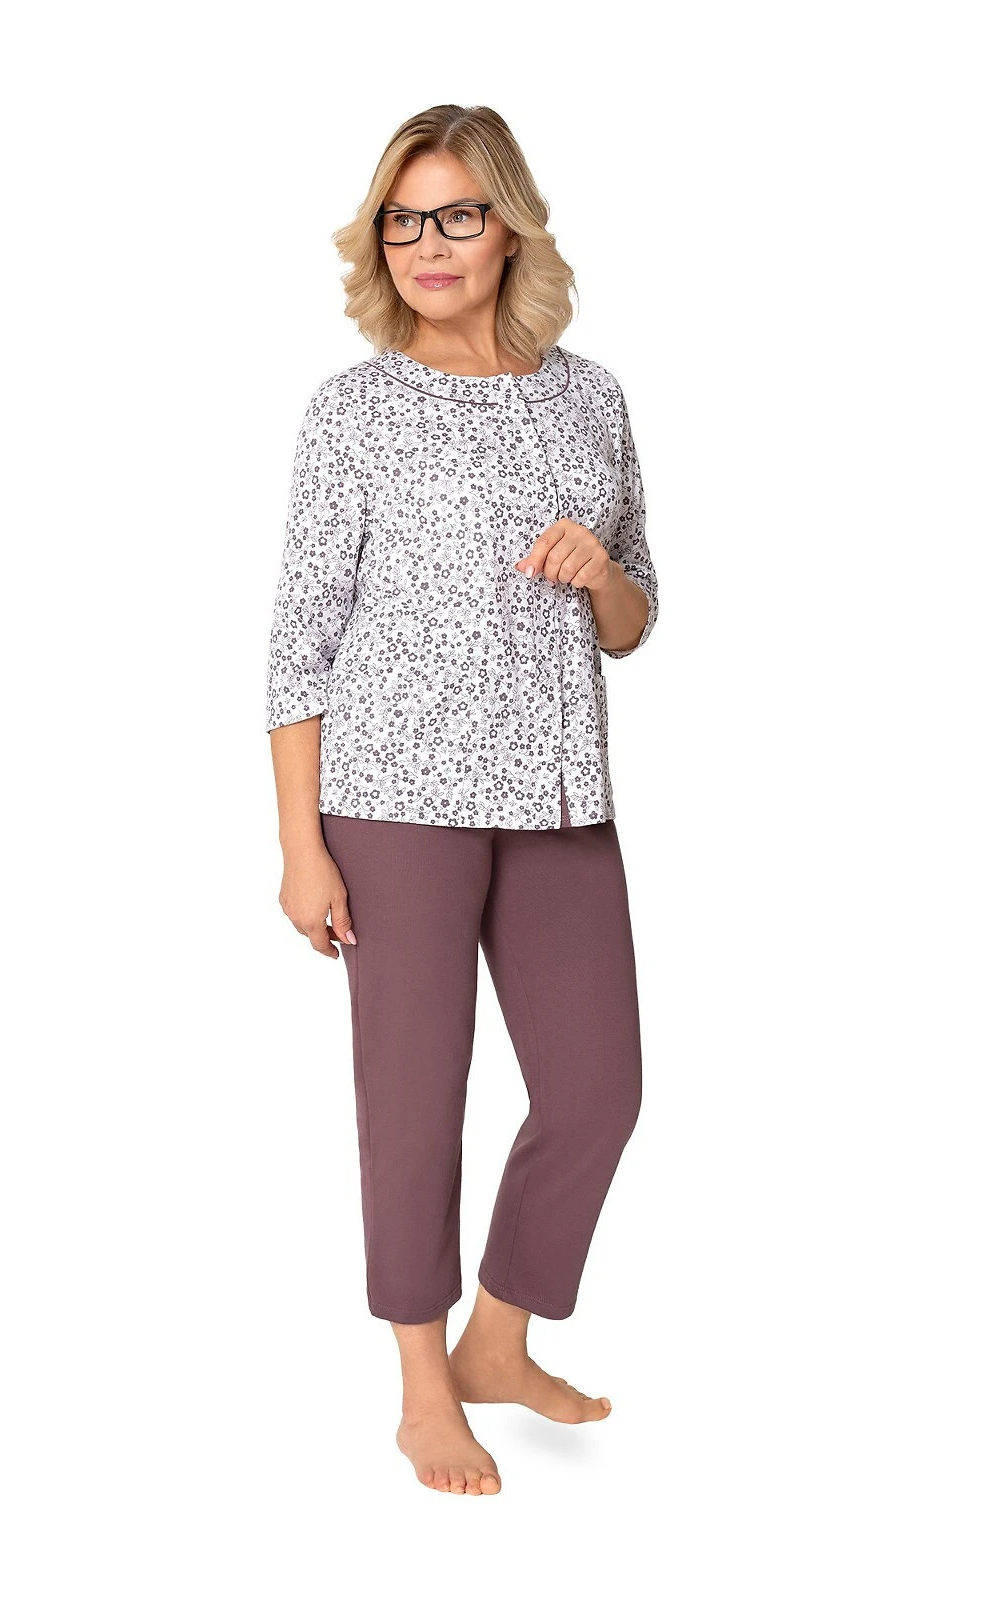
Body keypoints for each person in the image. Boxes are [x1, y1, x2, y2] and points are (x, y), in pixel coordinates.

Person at [265, 104, 659, 1496]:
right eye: (402, 219)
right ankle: (423, 1387)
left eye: (456, 214)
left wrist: (599, 573)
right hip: (393, 800)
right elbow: (301, 640)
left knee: (597, 1090)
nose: (427, 244)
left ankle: (502, 1339)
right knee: (414, 1097)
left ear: (510, 227)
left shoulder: (591, 397)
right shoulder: (354, 410)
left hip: (557, 793)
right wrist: (301, 845)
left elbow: (635, 617)